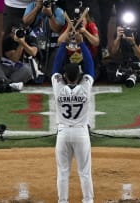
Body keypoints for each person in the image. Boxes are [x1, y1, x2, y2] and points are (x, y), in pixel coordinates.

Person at [51, 31, 94, 203]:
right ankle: (88, 201)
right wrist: (82, 43)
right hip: (81, 133)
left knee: (63, 172)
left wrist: (64, 43)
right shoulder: (85, 87)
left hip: (62, 133)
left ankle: (63, 201)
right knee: (84, 172)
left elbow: (56, 65)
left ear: (65, 77)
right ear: (79, 76)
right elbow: (90, 65)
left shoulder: (58, 87)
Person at [0, 23, 39, 92]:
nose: (17, 34)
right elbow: (14, 59)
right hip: (5, 68)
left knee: (28, 69)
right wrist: (20, 44)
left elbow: (33, 53)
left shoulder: (30, 38)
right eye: (14, 32)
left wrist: (23, 42)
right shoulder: (7, 40)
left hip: (19, 70)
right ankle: (10, 84)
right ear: (11, 33)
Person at [105, 11, 140, 87]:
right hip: (125, 62)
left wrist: (132, 43)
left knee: (139, 68)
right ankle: (130, 75)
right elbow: (113, 53)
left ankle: (132, 75)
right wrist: (118, 38)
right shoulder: (121, 32)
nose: (128, 28)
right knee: (110, 71)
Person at [22, 0, 65, 78]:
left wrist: (50, 15)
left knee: (50, 75)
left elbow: (57, 29)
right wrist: (37, 8)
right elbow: (25, 22)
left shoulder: (58, 10)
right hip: (34, 44)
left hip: (52, 46)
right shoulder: (32, 6)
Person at [58, 7, 100, 78]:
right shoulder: (69, 26)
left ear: (86, 19)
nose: (79, 21)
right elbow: (59, 43)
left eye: (81, 19)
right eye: (77, 19)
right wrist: (68, 29)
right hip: (70, 61)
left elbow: (96, 42)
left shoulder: (90, 26)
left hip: (87, 60)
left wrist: (85, 32)